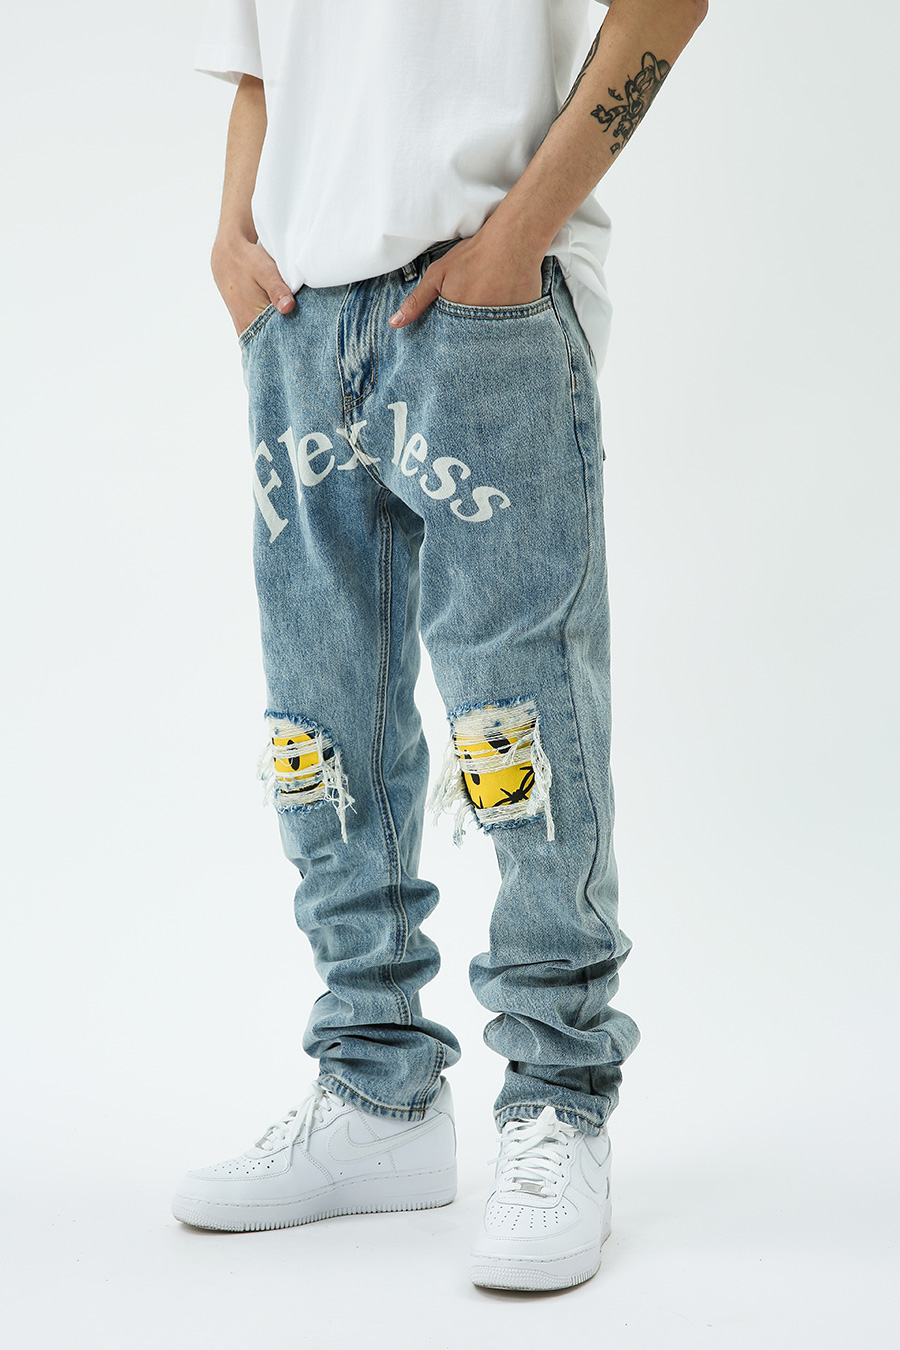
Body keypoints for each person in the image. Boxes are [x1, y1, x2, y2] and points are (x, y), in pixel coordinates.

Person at [173, 0, 707, 1292]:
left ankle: (558, 1100)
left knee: (517, 729)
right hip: (296, 317)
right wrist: (233, 237)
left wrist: (521, 236)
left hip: (481, 301)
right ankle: (376, 1089)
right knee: (318, 734)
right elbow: (257, 60)